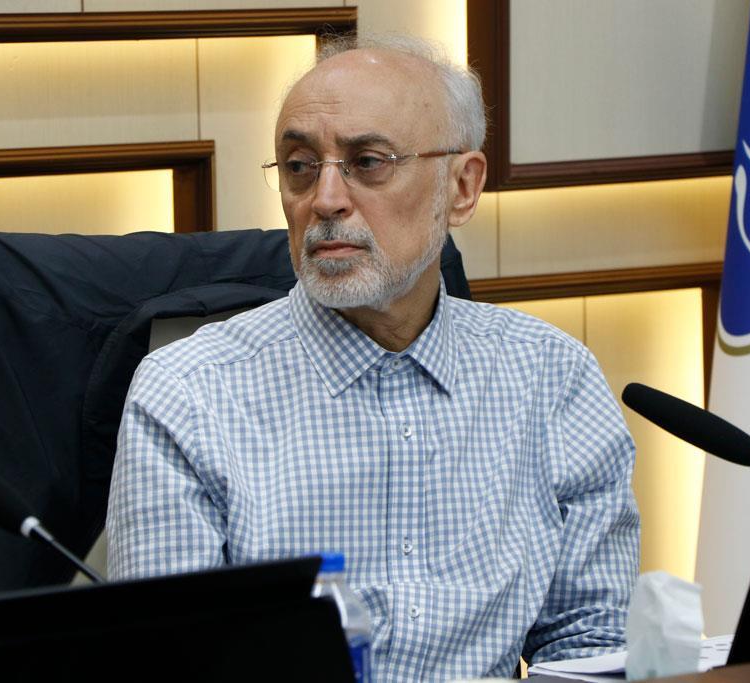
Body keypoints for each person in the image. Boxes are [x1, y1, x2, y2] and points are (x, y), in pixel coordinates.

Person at [107, 34, 640, 681]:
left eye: (368, 162)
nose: (325, 199)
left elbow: (590, 642)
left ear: (462, 186)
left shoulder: (553, 378)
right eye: (300, 166)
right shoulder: (188, 395)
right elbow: (166, 666)